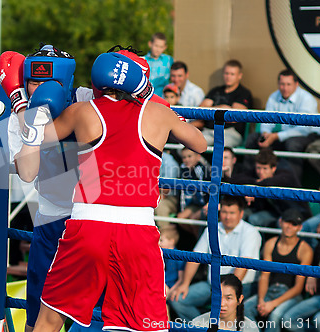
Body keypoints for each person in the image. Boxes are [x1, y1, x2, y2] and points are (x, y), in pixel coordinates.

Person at [29, 51, 207, 332]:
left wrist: (24, 105)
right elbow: (200, 144)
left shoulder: (82, 111)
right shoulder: (159, 113)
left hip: (87, 226)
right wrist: (154, 99)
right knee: (144, 326)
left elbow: (39, 137)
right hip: (137, 231)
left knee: (50, 319)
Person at [0, 44, 87, 332]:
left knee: (91, 311)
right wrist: (28, 116)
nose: (39, 89)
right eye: (33, 81)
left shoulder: (87, 99)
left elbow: (137, 103)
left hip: (90, 217)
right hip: (49, 218)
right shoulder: (17, 116)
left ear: (65, 82)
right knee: (37, 310)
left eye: (47, 82)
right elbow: (26, 173)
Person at [168, 195, 262, 322]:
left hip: (241, 286)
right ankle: (203, 328)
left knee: (231, 309)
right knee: (178, 299)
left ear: (241, 214)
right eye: (224, 212)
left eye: (232, 213)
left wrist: (226, 291)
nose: (227, 217)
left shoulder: (250, 232)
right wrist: (185, 284)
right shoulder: (212, 228)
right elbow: (196, 257)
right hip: (212, 284)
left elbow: (243, 265)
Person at [244, 209, 313, 332]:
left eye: (294, 224)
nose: (289, 227)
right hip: (270, 290)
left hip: (291, 294)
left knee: (275, 316)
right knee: (244, 309)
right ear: (280, 222)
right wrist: (261, 300)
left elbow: (298, 288)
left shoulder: (305, 250)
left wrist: (273, 304)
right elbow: (264, 276)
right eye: (287, 222)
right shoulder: (270, 244)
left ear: (300, 227)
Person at [244, 69, 320, 179]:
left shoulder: (307, 98)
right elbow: (267, 120)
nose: (285, 88)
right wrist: (266, 134)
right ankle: (249, 181)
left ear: (296, 84)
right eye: (282, 84)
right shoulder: (273, 97)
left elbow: (304, 128)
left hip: (308, 135)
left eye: (288, 84)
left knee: (293, 144)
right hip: (283, 135)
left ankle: (293, 185)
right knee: (253, 139)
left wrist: (275, 136)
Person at [230, 148, 310, 227]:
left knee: (258, 219)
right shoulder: (256, 174)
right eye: (258, 168)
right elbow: (235, 179)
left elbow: (270, 182)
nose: (261, 172)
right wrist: (250, 187)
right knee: (245, 215)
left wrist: (252, 189)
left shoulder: (285, 174)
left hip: (296, 213)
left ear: (274, 168)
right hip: (273, 212)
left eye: (265, 168)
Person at [194, 60, 253, 147]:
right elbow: (201, 110)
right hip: (208, 131)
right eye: (226, 73)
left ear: (239, 76)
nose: (228, 77)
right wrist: (224, 108)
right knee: (191, 144)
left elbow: (235, 116)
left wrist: (212, 108)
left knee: (220, 146)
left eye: (232, 74)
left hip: (230, 133)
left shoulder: (244, 93)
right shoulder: (215, 91)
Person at [191, 274, 259, 332]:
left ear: (239, 299)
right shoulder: (198, 323)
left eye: (228, 298)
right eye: (218, 298)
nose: (222, 304)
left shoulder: (250, 328)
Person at [177, 147, 210, 225]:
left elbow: (209, 190)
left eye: (189, 156)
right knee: (180, 218)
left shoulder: (203, 171)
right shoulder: (183, 170)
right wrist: (182, 209)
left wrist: (208, 204)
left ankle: (198, 237)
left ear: (198, 157)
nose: (187, 160)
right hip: (193, 204)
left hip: (205, 203)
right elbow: (182, 193)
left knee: (194, 218)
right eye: (184, 157)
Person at [154, 149, 180, 229]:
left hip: (170, 198)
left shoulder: (168, 161)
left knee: (160, 205)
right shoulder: (149, 156)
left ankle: (164, 237)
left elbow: (166, 190)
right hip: (154, 194)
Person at [144, 32, 174, 98]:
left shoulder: (169, 60)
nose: (158, 49)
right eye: (156, 46)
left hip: (163, 97)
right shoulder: (143, 60)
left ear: (165, 47)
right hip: (146, 97)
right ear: (150, 44)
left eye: (161, 47)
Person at [159, 228, 185, 297]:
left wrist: (171, 291)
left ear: (171, 241)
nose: (159, 243)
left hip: (170, 288)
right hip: (161, 286)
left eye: (161, 240)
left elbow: (181, 279)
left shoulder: (178, 257)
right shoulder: (160, 254)